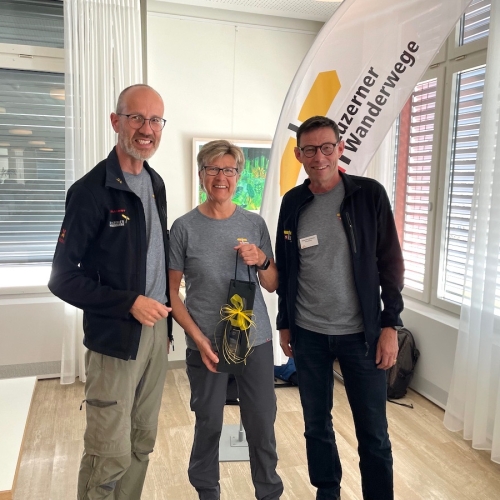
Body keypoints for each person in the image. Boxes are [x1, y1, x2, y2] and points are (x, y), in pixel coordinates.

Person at [48, 84, 172, 500]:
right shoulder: (90, 192)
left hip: (156, 334)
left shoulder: (155, 184)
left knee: (141, 442)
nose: (147, 129)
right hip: (115, 339)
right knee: (109, 453)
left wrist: (164, 322)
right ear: (116, 121)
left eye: (155, 120)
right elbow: (62, 278)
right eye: (136, 118)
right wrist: (129, 303)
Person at [276, 116, 404, 500]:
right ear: (299, 155)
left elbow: (391, 264)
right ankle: (327, 492)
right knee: (316, 426)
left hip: (362, 336)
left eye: (326, 147)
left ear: (340, 148)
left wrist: (390, 325)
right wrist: (285, 322)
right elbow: (287, 266)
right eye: (310, 150)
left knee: (373, 433)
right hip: (309, 333)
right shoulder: (293, 202)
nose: (319, 157)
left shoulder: (368, 195)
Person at [169, 140, 284, 500]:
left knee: (261, 422)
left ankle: (269, 492)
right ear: (201, 174)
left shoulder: (254, 223)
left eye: (229, 170)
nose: (221, 177)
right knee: (209, 423)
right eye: (213, 169)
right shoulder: (184, 228)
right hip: (207, 344)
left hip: (255, 340)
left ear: (239, 175)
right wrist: (198, 338)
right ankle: (207, 492)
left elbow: (272, 283)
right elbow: (171, 294)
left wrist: (262, 260)